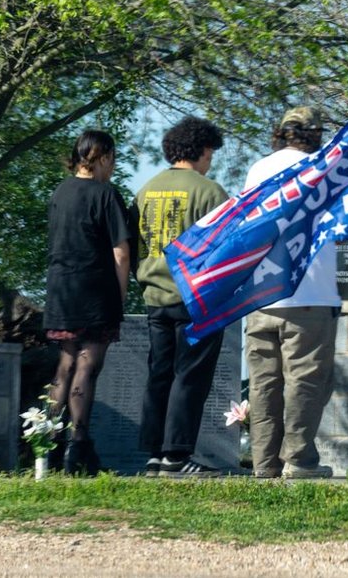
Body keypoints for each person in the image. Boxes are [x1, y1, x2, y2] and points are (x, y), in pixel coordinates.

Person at [242, 106, 341, 479]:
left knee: (265, 382)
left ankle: (264, 463)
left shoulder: (258, 170)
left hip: (261, 291)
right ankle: (298, 460)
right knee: (306, 378)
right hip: (309, 289)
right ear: (314, 134)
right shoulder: (322, 168)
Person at [132, 116, 229, 478]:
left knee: (160, 374)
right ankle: (177, 455)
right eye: (211, 154)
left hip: (154, 295)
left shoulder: (145, 190)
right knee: (190, 376)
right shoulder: (209, 191)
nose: (211, 161)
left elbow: (133, 242)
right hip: (196, 297)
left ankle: (155, 453)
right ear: (202, 150)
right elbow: (225, 247)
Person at [43, 129, 131, 475]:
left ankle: (46, 444)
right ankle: (78, 446)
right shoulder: (106, 194)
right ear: (103, 157)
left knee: (64, 367)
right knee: (87, 367)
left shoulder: (59, 193)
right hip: (95, 290)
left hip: (61, 289)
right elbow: (120, 253)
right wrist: (120, 296)